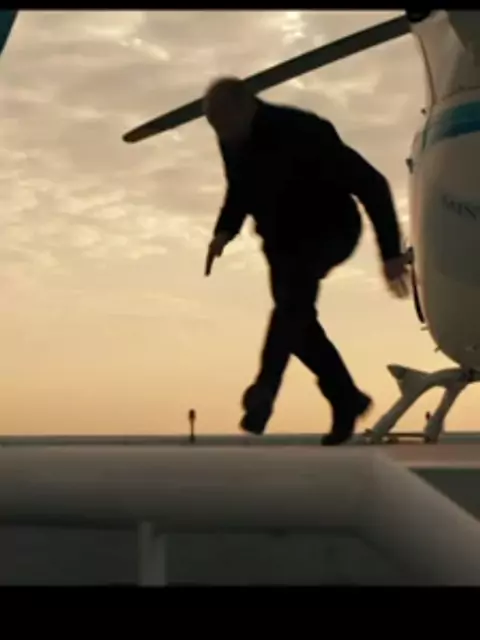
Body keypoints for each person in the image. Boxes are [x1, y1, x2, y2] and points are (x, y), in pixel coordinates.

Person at [203, 76, 409, 445]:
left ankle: (265, 391)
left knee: (291, 308)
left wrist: (391, 253)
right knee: (296, 323)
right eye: (216, 130)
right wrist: (224, 231)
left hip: (330, 230)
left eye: (226, 126)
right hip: (281, 242)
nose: (223, 137)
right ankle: (346, 397)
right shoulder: (232, 138)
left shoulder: (303, 131)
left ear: (246, 108)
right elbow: (240, 188)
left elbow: (372, 184)